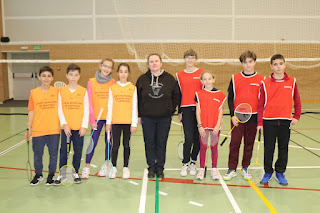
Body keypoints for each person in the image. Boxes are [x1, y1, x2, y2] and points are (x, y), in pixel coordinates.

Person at [258, 54, 301, 185]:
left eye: (280, 64)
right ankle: (268, 172)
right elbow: (260, 104)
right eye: (275, 64)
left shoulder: (292, 81)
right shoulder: (265, 83)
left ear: (285, 65)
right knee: (269, 148)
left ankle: (280, 172)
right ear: (271, 66)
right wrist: (260, 123)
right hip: (269, 121)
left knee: (283, 148)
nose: (278, 66)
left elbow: (297, 100)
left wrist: (297, 116)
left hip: (285, 121)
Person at [136, 53, 180, 179]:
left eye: (156, 61)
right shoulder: (142, 79)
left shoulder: (169, 79)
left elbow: (176, 96)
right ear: (147, 64)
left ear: (161, 63)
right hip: (147, 117)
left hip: (164, 118)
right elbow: (137, 98)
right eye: (151, 61)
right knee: (149, 143)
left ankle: (160, 168)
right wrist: (139, 114)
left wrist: (170, 111)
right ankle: (151, 168)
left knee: (161, 143)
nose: (154, 63)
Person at [223, 50, 265, 181]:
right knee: (234, 143)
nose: (248, 65)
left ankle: (245, 167)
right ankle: (231, 169)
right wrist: (232, 115)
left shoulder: (262, 79)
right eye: (245, 62)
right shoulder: (235, 78)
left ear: (255, 62)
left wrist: (260, 122)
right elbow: (230, 98)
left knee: (249, 143)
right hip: (238, 117)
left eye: (250, 62)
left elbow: (262, 102)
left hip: (253, 117)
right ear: (241, 63)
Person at [54, 64, 89, 185]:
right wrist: (65, 125)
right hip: (66, 129)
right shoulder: (61, 91)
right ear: (66, 76)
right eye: (71, 75)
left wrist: (84, 126)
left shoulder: (83, 91)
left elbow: (86, 109)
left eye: (76, 75)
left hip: (79, 128)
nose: (73, 77)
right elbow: (60, 109)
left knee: (78, 151)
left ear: (79, 76)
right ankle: (62, 173)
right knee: (64, 151)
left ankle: (75, 172)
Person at [25, 66, 60, 186]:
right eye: (44, 76)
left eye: (49, 76)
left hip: (54, 129)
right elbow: (31, 111)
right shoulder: (34, 93)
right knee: (38, 154)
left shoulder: (57, 92)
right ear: (39, 77)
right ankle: (38, 174)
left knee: (53, 154)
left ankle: (51, 175)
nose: (46, 78)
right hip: (38, 130)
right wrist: (28, 127)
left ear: (52, 78)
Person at [82, 58, 115, 179]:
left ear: (112, 69)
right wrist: (92, 120)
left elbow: (113, 102)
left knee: (108, 142)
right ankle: (87, 167)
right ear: (100, 66)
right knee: (92, 142)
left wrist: (110, 121)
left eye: (109, 67)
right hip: (96, 118)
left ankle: (106, 166)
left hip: (109, 118)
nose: (107, 69)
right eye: (105, 66)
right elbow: (89, 102)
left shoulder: (113, 83)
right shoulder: (91, 82)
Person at [106, 63, 138, 179]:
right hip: (115, 122)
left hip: (128, 122)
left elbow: (135, 107)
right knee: (115, 146)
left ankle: (125, 167)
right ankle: (113, 167)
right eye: (121, 71)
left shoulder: (132, 88)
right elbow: (110, 106)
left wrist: (134, 123)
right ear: (117, 73)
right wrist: (108, 122)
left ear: (128, 73)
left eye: (125, 71)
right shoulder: (113, 88)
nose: (123, 74)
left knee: (126, 145)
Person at [176, 49, 204, 177]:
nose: (190, 60)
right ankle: (185, 163)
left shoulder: (202, 73)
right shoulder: (179, 75)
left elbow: (205, 92)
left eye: (192, 57)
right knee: (189, 138)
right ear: (184, 59)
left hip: (199, 109)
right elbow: (178, 94)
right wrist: (179, 111)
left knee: (198, 138)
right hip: (186, 109)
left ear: (196, 59)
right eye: (187, 57)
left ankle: (193, 162)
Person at [195, 71, 226, 180]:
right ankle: (201, 169)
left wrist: (218, 125)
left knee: (214, 148)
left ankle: (214, 170)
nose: (207, 81)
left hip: (215, 127)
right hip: (203, 126)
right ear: (201, 81)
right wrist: (200, 126)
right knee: (203, 148)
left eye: (209, 79)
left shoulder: (220, 95)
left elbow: (220, 111)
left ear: (213, 79)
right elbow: (197, 111)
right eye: (205, 79)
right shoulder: (199, 94)